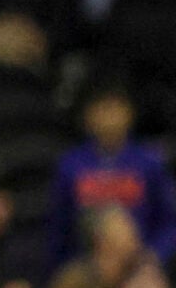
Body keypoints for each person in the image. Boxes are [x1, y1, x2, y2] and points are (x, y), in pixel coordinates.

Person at [51, 83, 176, 269]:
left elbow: (169, 220)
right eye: (102, 109)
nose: (110, 117)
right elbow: (59, 227)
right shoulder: (70, 165)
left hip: (140, 267)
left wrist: (154, 255)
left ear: (129, 113)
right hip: (88, 269)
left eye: (116, 108)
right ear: (88, 115)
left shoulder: (150, 163)